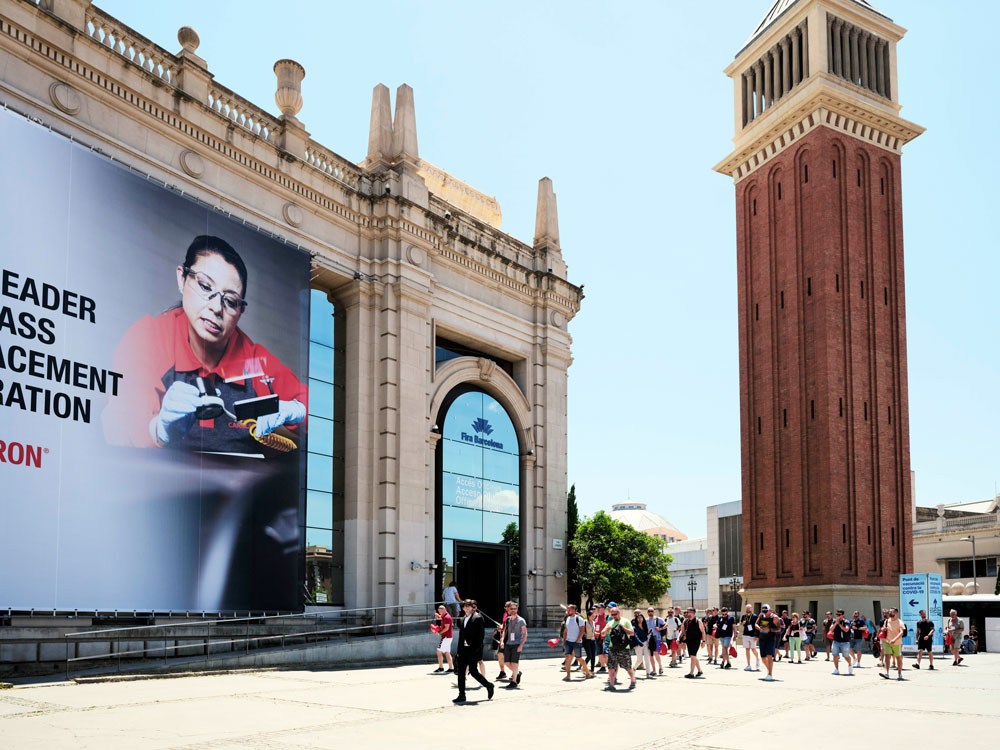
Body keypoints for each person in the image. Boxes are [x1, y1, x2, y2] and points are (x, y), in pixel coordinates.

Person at [103, 235, 307, 452]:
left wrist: (298, 411)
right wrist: (159, 430)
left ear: (240, 312)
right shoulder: (150, 338)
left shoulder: (255, 361)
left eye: (230, 301)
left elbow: (317, 416)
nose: (216, 308)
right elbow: (120, 426)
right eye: (205, 286)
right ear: (182, 279)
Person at [453, 599, 494, 704]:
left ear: (472, 607)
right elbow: (461, 637)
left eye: (468, 606)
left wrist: (476, 650)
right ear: (462, 608)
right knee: (461, 673)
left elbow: (480, 636)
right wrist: (458, 651)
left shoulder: (478, 618)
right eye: (464, 606)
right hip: (463, 650)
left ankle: (488, 685)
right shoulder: (462, 619)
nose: (467, 608)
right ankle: (461, 695)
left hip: (473, 650)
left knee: (474, 672)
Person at [602, 602, 637, 691]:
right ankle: (612, 685)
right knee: (611, 667)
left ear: (619, 613)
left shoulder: (625, 621)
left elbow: (632, 633)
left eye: (615, 614)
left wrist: (624, 628)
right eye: (612, 614)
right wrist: (606, 629)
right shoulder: (610, 622)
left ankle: (633, 680)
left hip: (624, 647)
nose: (614, 616)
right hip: (612, 647)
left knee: (627, 666)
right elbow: (602, 634)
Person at [561, 604, 593, 680]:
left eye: (570, 609)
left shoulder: (579, 619)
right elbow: (566, 631)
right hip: (568, 641)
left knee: (579, 658)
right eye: (567, 609)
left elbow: (582, 630)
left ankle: (587, 672)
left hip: (576, 642)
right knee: (567, 657)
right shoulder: (567, 619)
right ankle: (568, 676)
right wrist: (564, 642)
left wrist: (578, 640)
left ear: (575, 610)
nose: (568, 611)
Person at [501, 602, 527, 689]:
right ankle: (517, 673)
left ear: (517, 609)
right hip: (508, 643)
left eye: (514, 609)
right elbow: (505, 631)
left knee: (514, 663)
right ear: (509, 609)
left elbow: (525, 634)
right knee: (507, 662)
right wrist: (502, 641)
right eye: (511, 609)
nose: (513, 610)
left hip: (516, 644)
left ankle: (514, 681)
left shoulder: (521, 620)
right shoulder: (508, 619)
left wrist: (521, 645)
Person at [755, 604, 782, 681]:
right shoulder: (761, 616)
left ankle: (770, 674)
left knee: (769, 655)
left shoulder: (775, 618)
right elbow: (756, 624)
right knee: (763, 658)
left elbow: (779, 629)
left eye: (766, 611)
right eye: (764, 611)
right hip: (762, 638)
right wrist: (758, 628)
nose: (765, 613)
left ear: (770, 610)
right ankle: (769, 669)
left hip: (771, 638)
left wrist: (769, 630)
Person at [878, 608, 904, 681]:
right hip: (887, 641)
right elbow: (883, 628)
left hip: (896, 643)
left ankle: (899, 673)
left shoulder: (900, 622)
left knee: (898, 658)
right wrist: (883, 629)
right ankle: (886, 673)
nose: (890, 613)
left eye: (891, 611)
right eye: (889, 611)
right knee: (887, 657)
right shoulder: (886, 621)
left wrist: (894, 639)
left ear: (896, 612)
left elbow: (901, 632)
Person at [683, 607, 706, 679]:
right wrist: (680, 638)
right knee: (693, 656)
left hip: (696, 641)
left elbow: (703, 632)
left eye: (688, 612)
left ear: (692, 612)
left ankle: (691, 673)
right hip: (688, 641)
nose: (686, 613)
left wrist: (704, 641)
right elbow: (683, 631)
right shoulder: (686, 621)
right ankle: (699, 671)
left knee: (692, 656)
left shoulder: (698, 621)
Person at [830, 609, 853, 676]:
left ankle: (850, 664)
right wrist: (835, 623)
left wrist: (839, 624)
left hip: (845, 642)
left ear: (842, 615)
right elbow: (831, 629)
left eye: (839, 615)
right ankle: (836, 669)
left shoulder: (846, 622)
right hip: (836, 641)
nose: (837, 616)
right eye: (836, 614)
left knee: (846, 656)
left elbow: (846, 629)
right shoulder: (834, 621)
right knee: (835, 655)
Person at [433, 604, 455, 674]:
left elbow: (447, 628)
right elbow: (442, 618)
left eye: (440, 611)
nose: (439, 613)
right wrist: (438, 617)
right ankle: (451, 668)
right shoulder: (445, 615)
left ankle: (441, 668)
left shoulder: (447, 617)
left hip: (446, 637)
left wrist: (439, 632)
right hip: (448, 637)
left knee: (438, 651)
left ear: (443, 610)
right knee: (447, 652)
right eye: (438, 611)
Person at [494, 601, 512, 681]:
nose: (505, 608)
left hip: (511, 638)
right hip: (503, 637)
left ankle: (515, 672)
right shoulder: (505, 614)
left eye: (507, 606)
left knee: (510, 657)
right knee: (500, 654)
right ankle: (502, 672)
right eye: (505, 606)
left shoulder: (514, 616)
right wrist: (501, 628)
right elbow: (504, 625)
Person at [740, 604, 760, 672]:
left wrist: (757, 636)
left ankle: (757, 659)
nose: (748, 610)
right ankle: (748, 665)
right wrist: (743, 623)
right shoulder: (744, 616)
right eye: (747, 608)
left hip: (752, 635)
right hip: (745, 634)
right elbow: (742, 625)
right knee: (747, 650)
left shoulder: (754, 616)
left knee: (753, 649)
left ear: (751, 609)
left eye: (749, 608)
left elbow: (757, 626)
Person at [647, 607, 665, 675]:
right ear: (647, 612)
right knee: (650, 655)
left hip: (657, 639)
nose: (650, 612)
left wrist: (660, 629)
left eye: (651, 611)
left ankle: (660, 666)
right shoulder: (646, 620)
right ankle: (654, 670)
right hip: (649, 639)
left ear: (654, 612)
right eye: (649, 611)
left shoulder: (658, 619)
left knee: (656, 653)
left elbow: (666, 625)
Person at [593, 603, 609, 673]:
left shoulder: (606, 617)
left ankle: (610, 667)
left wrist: (605, 639)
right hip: (597, 637)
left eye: (601, 608)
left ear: (603, 609)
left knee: (605, 653)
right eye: (598, 608)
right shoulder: (596, 616)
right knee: (599, 653)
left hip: (604, 637)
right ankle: (603, 666)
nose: (599, 609)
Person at [583, 606, 598, 673]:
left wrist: (599, 633)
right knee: (589, 655)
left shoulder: (594, 623)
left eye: (594, 616)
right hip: (587, 640)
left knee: (593, 656)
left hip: (593, 640)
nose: (594, 618)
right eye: (593, 616)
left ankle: (592, 670)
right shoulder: (584, 622)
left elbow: (594, 631)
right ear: (589, 616)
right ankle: (584, 667)